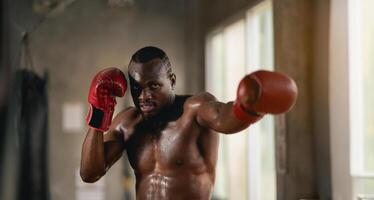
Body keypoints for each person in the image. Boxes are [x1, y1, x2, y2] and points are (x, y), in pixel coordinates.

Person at [80, 46, 298, 199]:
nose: (143, 96)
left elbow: (225, 118)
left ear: (172, 81)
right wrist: (99, 114)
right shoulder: (128, 122)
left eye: (153, 86)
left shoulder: (194, 110)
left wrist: (248, 106)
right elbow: (90, 173)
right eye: (137, 88)